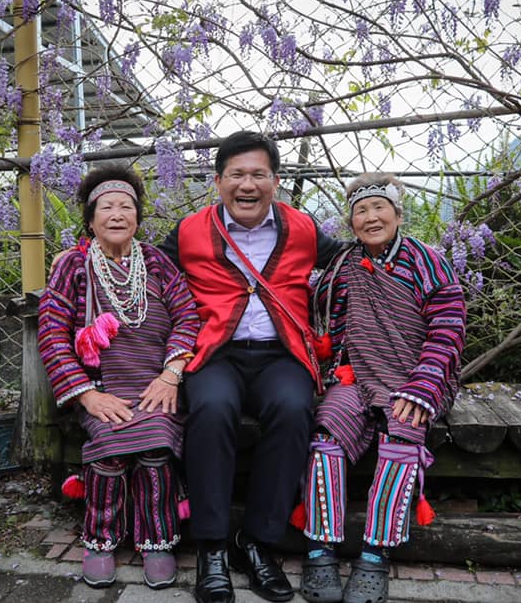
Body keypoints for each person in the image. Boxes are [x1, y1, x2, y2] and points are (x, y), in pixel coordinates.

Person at [160, 131, 345, 603]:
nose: (248, 184)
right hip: (215, 353)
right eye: (237, 174)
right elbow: (146, 268)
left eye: (258, 174)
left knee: (292, 408)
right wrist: (81, 257)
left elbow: (351, 258)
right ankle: (213, 546)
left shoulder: (302, 227)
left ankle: (258, 542)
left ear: (275, 181)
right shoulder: (188, 231)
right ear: (218, 181)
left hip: (280, 354)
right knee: (212, 408)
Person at [298, 174, 466, 603]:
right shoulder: (343, 266)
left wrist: (424, 385)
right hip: (357, 376)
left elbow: (448, 328)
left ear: (397, 212)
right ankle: (321, 547)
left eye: (379, 208)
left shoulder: (426, 260)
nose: (371, 218)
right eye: (360, 211)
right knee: (325, 435)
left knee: (401, 437)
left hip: (415, 380)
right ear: (350, 221)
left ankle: (375, 553)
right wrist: (335, 367)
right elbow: (327, 319)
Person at [38, 165, 200, 590]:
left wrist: (171, 373)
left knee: (156, 449)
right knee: (109, 449)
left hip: (156, 389)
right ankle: (100, 539)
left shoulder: (158, 263)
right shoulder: (71, 265)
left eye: (126, 206)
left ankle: (158, 539)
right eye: (106, 206)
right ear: (90, 220)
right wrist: (87, 395)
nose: (117, 214)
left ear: (138, 218)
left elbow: (187, 315)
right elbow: (52, 334)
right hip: (103, 389)